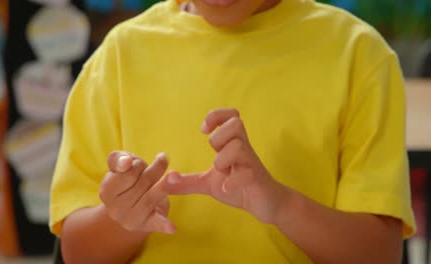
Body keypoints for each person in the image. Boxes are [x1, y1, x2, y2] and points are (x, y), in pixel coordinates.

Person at [49, 0, 416, 263]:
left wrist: (283, 206)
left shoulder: (358, 55)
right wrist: (126, 218)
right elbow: (77, 251)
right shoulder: (118, 56)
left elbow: (379, 253)